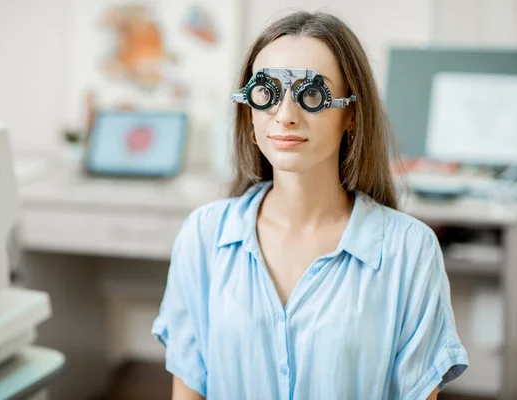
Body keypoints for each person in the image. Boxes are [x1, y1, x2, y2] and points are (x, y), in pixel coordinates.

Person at [151, 10, 468, 400]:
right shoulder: (203, 235)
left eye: (312, 95)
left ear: (351, 114)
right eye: (266, 93)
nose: (285, 116)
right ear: (248, 111)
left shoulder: (409, 251)